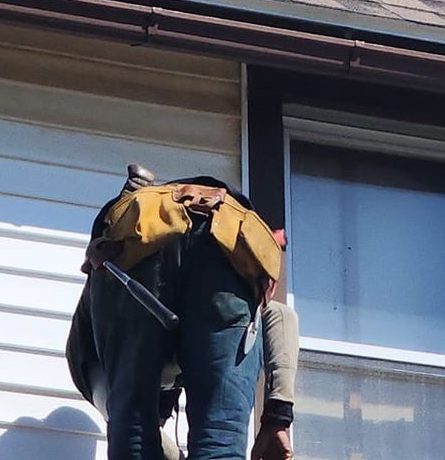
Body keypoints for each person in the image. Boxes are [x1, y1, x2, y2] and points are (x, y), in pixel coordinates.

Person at [66, 166, 296, 460]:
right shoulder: (94, 361)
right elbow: (279, 315)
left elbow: (136, 427)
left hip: (143, 248)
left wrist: (277, 418)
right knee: (219, 444)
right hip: (228, 234)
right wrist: (278, 418)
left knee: (135, 436)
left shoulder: (88, 364)